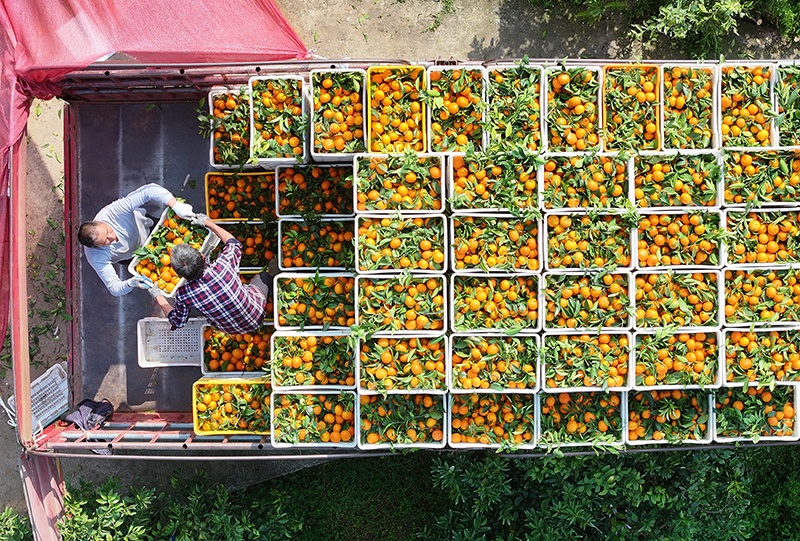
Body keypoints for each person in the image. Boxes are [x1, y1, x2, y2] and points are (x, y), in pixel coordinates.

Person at [152, 214, 274, 335]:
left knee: (198, 307)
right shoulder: (223, 265)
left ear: (179, 275)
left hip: (231, 330)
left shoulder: (184, 295)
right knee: (264, 276)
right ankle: (273, 295)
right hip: (256, 311)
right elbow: (234, 243)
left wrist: (158, 295)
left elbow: (177, 322)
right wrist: (208, 223)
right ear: (202, 257)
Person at [78, 183, 196, 296]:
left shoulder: (114, 212)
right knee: (169, 268)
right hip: (135, 257)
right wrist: (130, 283)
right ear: (97, 247)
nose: (112, 237)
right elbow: (114, 287)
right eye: (105, 242)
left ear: (99, 222)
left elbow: (150, 190)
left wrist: (174, 204)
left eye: (108, 231)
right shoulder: (95, 256)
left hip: (149, 230)